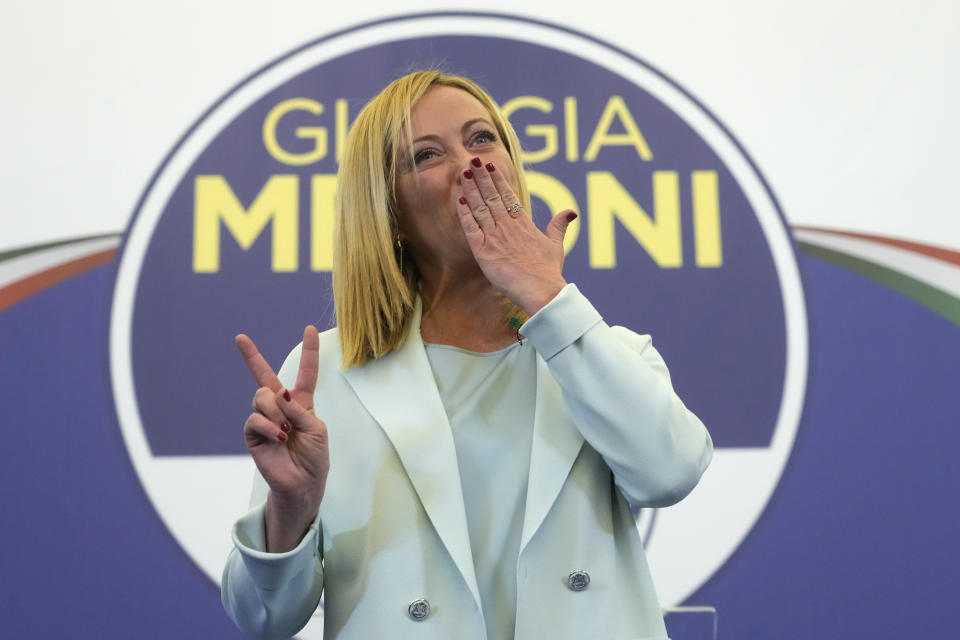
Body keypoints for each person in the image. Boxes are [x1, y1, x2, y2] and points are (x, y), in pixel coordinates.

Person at [221, 70, 712, 640]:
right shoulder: (327, 374)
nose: (470, 165)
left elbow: (672, 473)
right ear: (390, 215)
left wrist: (548, 300)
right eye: (427, 155)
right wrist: (292, 506)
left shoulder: (605, 352)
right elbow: (262, 618)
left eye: (482, 139)